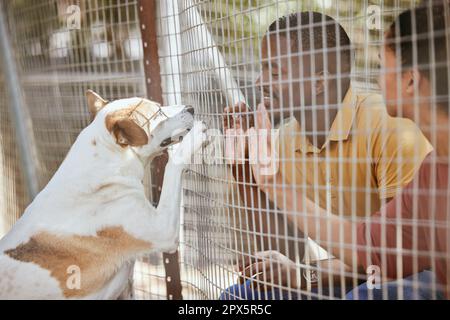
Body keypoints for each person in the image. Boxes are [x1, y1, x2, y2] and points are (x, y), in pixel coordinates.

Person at [221, 11, 432, 299]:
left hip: (411, 273)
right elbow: (287, 253)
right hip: (346, 272)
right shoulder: (285, 141)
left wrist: (307, 274)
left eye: (275, 71)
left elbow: (401, 257)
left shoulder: (390, 127)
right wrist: (244, 172)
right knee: (240, 297)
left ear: (319, 83)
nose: (259, 82)